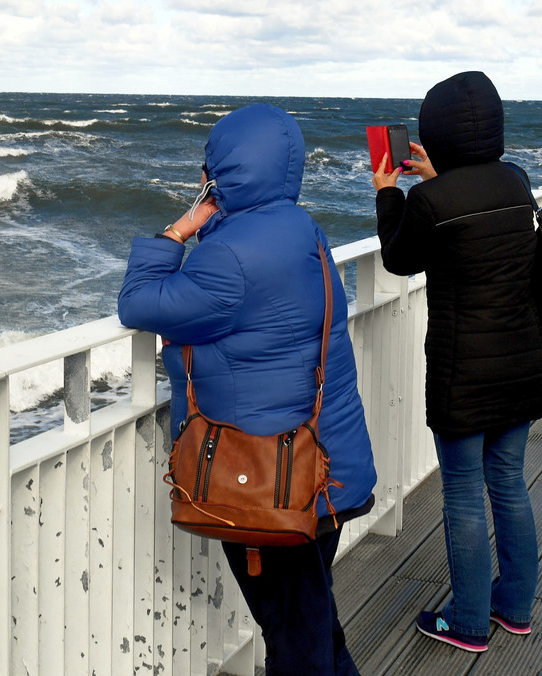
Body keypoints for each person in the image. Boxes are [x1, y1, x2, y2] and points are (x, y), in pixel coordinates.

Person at [118, 104, 377, 675]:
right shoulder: (300, 228)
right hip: (326, 466)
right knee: (312, 622)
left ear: (220, 173)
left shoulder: (230, 255)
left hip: (268, 483)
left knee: (296, 643)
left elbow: (137, 303)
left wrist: (178, 231)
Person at [373, 70, 542, 653]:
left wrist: (388, 191)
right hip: (522, 363)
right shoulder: (519, 183)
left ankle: (467, 622)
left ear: (433, 132)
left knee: (464, 490)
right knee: (509, 484)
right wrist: (437, 181)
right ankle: (515, 606)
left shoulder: (429, 200)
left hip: (460, 374)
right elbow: (479, 210)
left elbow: (399, 259)